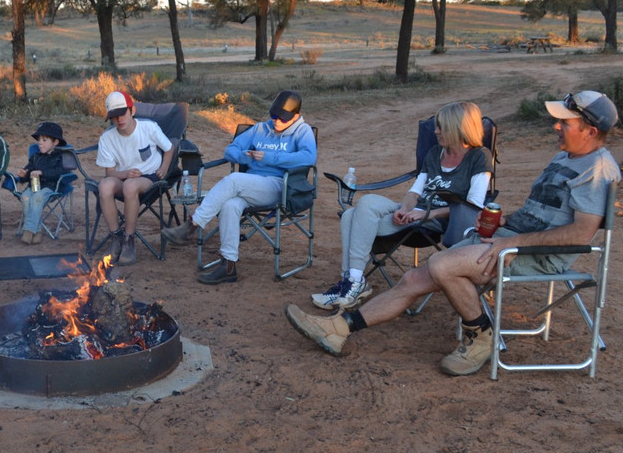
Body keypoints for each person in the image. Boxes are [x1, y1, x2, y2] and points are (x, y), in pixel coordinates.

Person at [286, 90, 621, 377]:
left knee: (441, 265)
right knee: (413, 278)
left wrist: (512, 241)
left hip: (536, 256)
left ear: (590, 131)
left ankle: (481, 336)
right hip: (508, 240)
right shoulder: (566, 157)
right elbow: (540, 213)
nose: (556, 126)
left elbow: (581, 233)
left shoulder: (596, 169)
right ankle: (339, 328)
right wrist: (501, 222)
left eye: (566, 122)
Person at [311, 101, 493, 311]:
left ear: (459, 128)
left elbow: (472, 206)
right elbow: (414, 192)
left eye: (441, 127)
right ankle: (352, 281)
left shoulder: (479, 157)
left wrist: (426, 214)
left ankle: (352, 282)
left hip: (439, 222)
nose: (436, 131)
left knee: (350, 217)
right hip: (414, 215)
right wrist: (404, 209)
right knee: (364, 204)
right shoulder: (435, 153)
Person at [162, 89, 317, 284]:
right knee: (230, 205)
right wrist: (246, 156)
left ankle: (192, 225)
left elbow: (308, 157)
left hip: (280, 186)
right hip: (250, 185)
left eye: (282, 118)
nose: (277, 121)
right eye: (274, 116)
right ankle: (228, 266)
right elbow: (230, 151)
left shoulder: (302, 131)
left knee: (234, 179)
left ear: (295, 116)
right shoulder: (260, 129)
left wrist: (270, 157)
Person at [95, 91, 174, 266]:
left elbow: (169, 148)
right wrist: (125, 174)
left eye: (122, 113)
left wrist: (164, 168)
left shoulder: (149, 128)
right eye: (114, 116)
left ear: (132, 111)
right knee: (105, 185)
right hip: (123, 176)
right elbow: (110, 173)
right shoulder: (107, 138)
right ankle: (116, 238)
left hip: (149, 176)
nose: (119, 120)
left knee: (130, 186)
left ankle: (129, 240)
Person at [16, 121, 68, 245]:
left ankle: (28, 231)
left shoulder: (60, 157)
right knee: (25, 198)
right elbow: (28, 171)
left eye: (44, 140)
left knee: (37, 198)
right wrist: (24, 174)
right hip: (33, 186)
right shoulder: (35, 157)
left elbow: (60, 172)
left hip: (50, 188)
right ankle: (37, 231)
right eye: (39, 140)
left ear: (55, 142)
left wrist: (42, 172)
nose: (40, 143)